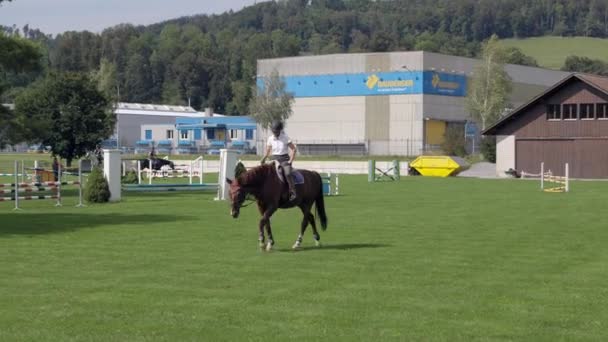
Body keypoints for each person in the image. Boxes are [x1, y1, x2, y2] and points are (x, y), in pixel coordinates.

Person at [261, 121, 298, 201]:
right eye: (273, 131)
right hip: (274, 159)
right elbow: (267, 151)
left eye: (276, 131)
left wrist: (290, 161)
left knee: (288, 173)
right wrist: (263, 159)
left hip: (284, 160)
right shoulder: (270, 139)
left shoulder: (285, 138)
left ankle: (293, 192)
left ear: (280, 130)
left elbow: (294, 149)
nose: (275, 132)